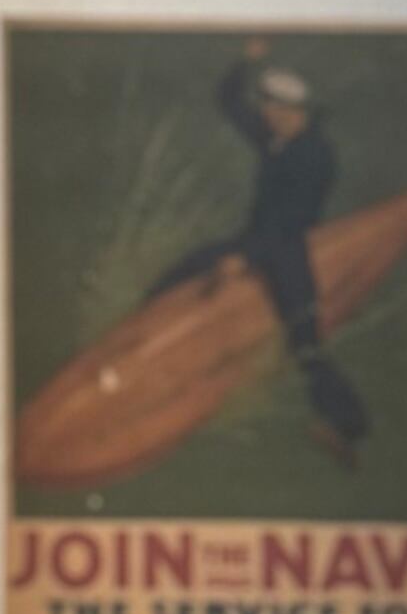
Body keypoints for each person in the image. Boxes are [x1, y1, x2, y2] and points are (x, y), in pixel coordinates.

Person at [143, 40, 370, 462]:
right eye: (265, 110)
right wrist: (246, 62)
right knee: (182, 272)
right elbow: (228, 101)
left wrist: (243, 260)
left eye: (273, 111)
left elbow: (290, 221)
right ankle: (144, 333)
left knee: (306, 345)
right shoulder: (275, 136)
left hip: (286, 250)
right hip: (255, 240)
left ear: (293, 112)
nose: (265, 118)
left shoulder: (315, 156)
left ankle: (347, 428)